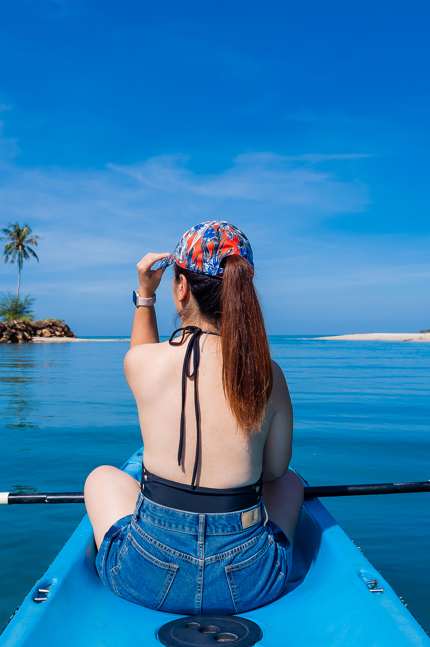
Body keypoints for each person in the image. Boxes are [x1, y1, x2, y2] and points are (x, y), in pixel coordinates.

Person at [84, 221, 303, 615]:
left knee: (101, 477)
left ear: (181, 288)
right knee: (290, 482)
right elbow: (274, 471)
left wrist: (145, 296)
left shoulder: (141, 364)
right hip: (249, 582)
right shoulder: (267, 374)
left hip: (147, 576)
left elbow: (144, 355)